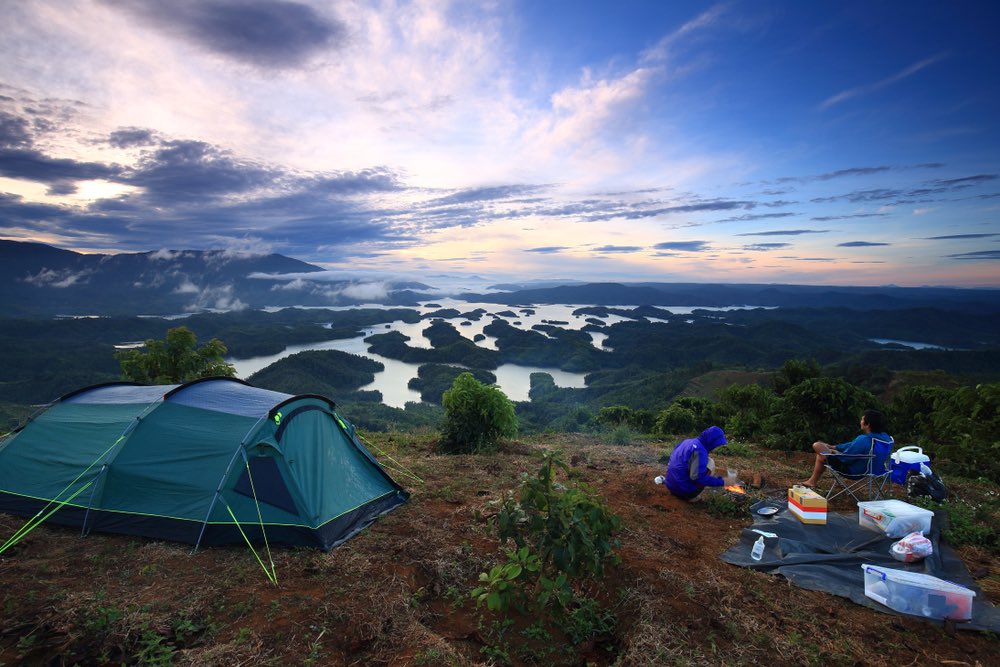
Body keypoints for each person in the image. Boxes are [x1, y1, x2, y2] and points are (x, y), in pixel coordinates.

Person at [801, 409, 892, 487]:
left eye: (862, 419)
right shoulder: (886, 438)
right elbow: (852, 445)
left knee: (817, 446)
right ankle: (812, 481)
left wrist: (833, 453)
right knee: (825, 451)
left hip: (854, 472)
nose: (860, 421)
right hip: (875, 471)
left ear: (867, 424)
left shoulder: (864, 439)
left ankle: (812, 481)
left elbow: (846, 459)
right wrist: (834, 447)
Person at [661, 425, 728, 500]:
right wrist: (723, 482)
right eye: (716, 444)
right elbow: (697, 477)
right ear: (712, 441)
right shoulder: (700, 451)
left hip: (670, 485)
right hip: (683, 491)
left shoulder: (687, 441)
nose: (715, 447)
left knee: (704, 462)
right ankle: (692, 496)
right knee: (711, 463)